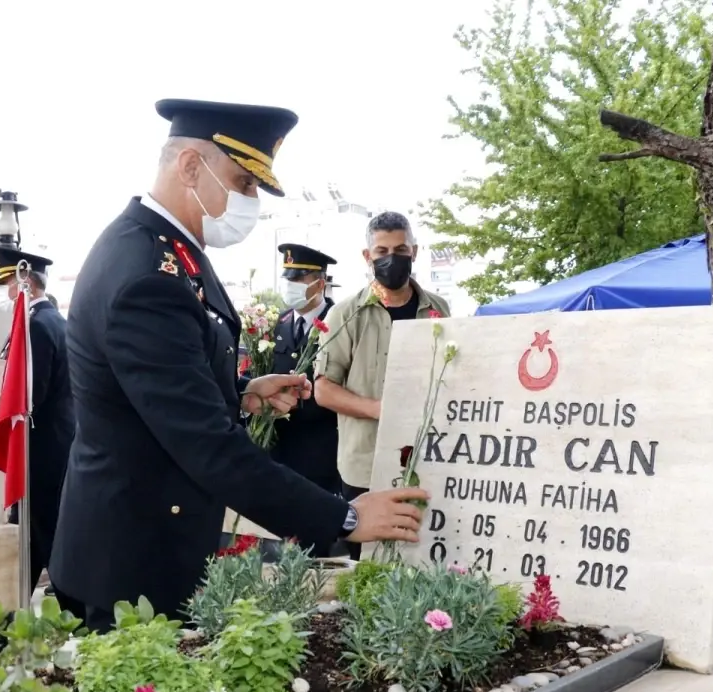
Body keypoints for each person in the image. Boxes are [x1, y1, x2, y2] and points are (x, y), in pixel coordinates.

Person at [50, 99, 428, 632]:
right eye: (244, 183)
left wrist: (244, 391)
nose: (250, 201)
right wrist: (345, 517)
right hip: (133, 561)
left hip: (144, 542)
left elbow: (154, 389)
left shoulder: (165, 250)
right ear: (189, 167)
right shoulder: (148, 275)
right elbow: (208, 447)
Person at [314, 211, 450, 559]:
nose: (392, 258)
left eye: (401, 249)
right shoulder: (345, 315)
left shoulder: (439, 309)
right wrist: (382, 411)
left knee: (420, 554)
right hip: (365, 462)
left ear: (415, 252)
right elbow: (323, 389)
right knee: (368, 562)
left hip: (427, 456)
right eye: (382, 251)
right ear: (367, 256)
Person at [0, 248, 78, 608]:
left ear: (25, 282)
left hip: (39, 448)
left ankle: (17, 615)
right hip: (55, 445)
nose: (5, 293)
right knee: (47, 534)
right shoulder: (53, 321)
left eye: (7, 283)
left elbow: (30, 395)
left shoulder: (37, 326)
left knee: (35, 534)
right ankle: (61, 611)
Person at [266, 243, 342, 510]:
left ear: (320, 284)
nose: (291, 286)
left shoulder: (340, 323)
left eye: (298, 279)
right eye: (288, 279)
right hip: (280, 449)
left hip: (320, 451)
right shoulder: (281, 321)